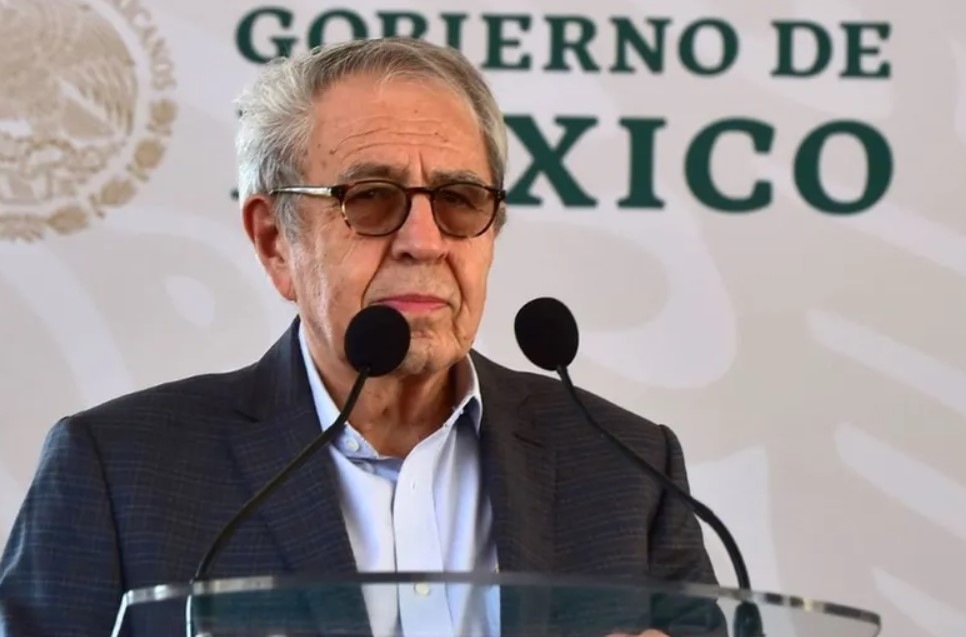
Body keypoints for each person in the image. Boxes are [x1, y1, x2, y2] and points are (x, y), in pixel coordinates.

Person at [0, 37, 717, 637]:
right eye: (370, 198)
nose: (423, 241)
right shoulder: (119, 472)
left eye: (459, 199)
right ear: (275, 241)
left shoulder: (626, 466)